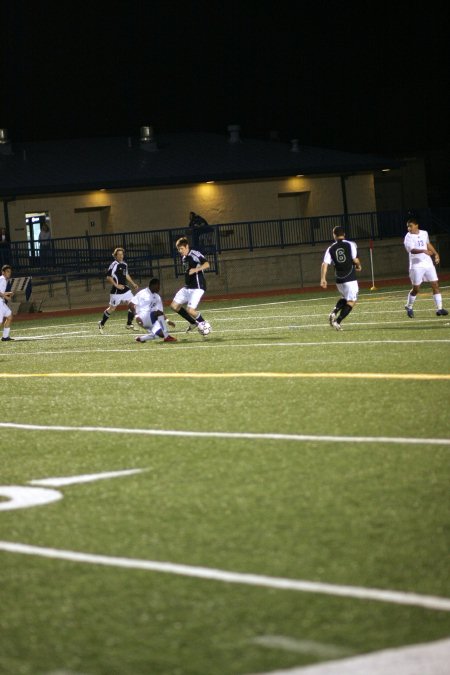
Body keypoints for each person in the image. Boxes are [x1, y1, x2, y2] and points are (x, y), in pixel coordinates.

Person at [403, 218, 448, 318]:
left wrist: (436, 254)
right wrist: (423, 251)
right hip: (416, 265)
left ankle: (439, 309)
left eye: (410, 226)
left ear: (416, 225)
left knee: (435, 284)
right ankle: (409, 306)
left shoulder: (424, 233)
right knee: (416, 289)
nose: (409, 228)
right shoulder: (408, 237)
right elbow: (412, 250)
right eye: (408, 226)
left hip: (428, 263)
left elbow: (427, 244)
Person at [320, 225, 362, 330]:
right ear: (344, 234)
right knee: (352, 301)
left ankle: (334, 312)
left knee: (344, 298)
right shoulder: (351, 244)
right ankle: (337, 321)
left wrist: (323, 279)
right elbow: (355, 259)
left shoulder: (331, 248)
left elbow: (324, 264)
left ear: (334, 235)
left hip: (339, 279)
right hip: (350, 277)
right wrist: (358, 266)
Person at [170, 236, 212, 335]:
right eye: (178, 249)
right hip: (187, 287)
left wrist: (196, 269)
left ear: (187, 246)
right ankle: (193, 323)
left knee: (191, 310)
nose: (180, 251)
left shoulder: (194, 254)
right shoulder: (184, 257)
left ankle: (204, 324)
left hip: (197, 287)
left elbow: (207, 264)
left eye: (181, 249)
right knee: (174, 306)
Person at [98, 247, 139, 333]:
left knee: (133, 304)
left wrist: (133, 283)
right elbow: (108, 277)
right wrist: (116, 286)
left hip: (125, 289)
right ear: (115, 256)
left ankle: (129, 324)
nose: (121, 256)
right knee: (112, 309)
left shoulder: (124, 264)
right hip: (116, 292)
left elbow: (126, 275)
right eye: (119, 254)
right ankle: (101, 323)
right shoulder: (114, 264)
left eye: (122, 254)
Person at [130, 278, 177, 343]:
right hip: (142, 318)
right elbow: (131, 305)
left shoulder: (157, 297)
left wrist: (167, 320)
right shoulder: (142, 293)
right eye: (158, 286)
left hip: (152, 320)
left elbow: (160, 312)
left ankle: (141, 338)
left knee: (161, 334)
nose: (159, 288)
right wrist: (137, 316)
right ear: (153, 285)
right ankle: (167, 337)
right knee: (157, 313)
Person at [0, 264, 14, 342]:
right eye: (7, 271)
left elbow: (1, 292)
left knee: (9, 315)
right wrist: (6, 297)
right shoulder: (2, 279)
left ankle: (5, 337)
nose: (9, 273)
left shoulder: (4, 280)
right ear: (3, 272)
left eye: (10, 272)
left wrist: (8, 293)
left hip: (1, 302)